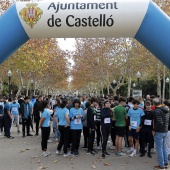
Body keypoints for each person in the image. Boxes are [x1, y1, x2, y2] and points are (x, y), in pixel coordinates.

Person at [153, 98, 169, 170]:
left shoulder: (157, 110)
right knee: (163, 147)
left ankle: (161, 165)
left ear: (154, 104)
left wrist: (154, 129)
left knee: (159, 149)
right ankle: (166, 162)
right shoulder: (166, 109)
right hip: (165, 130)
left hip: (159, 131)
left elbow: (159, 122)